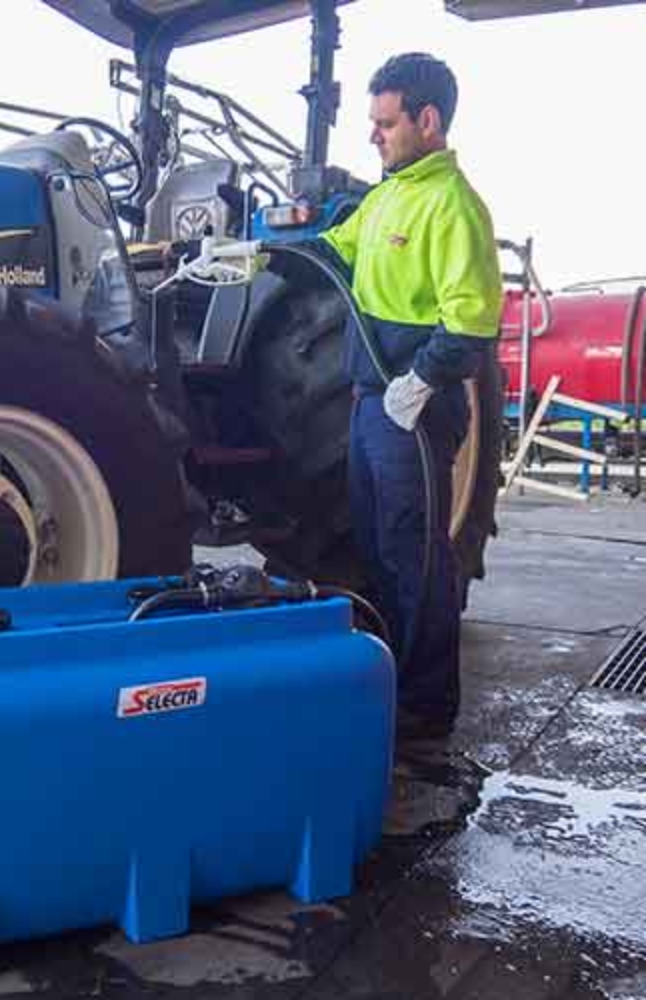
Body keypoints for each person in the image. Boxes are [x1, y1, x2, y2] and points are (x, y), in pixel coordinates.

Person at [320, 52, 503, 739]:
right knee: (375, 545)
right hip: (373, 402)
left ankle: (427, 707)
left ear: (428, 121)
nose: (374, 135)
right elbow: (335, 248)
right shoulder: (386, 197)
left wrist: (422, 380)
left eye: (386, 123)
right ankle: (394, 679)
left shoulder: (453, 206)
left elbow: (472, 319)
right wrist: (253, 254)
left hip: (415, 408)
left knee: (416, 556)